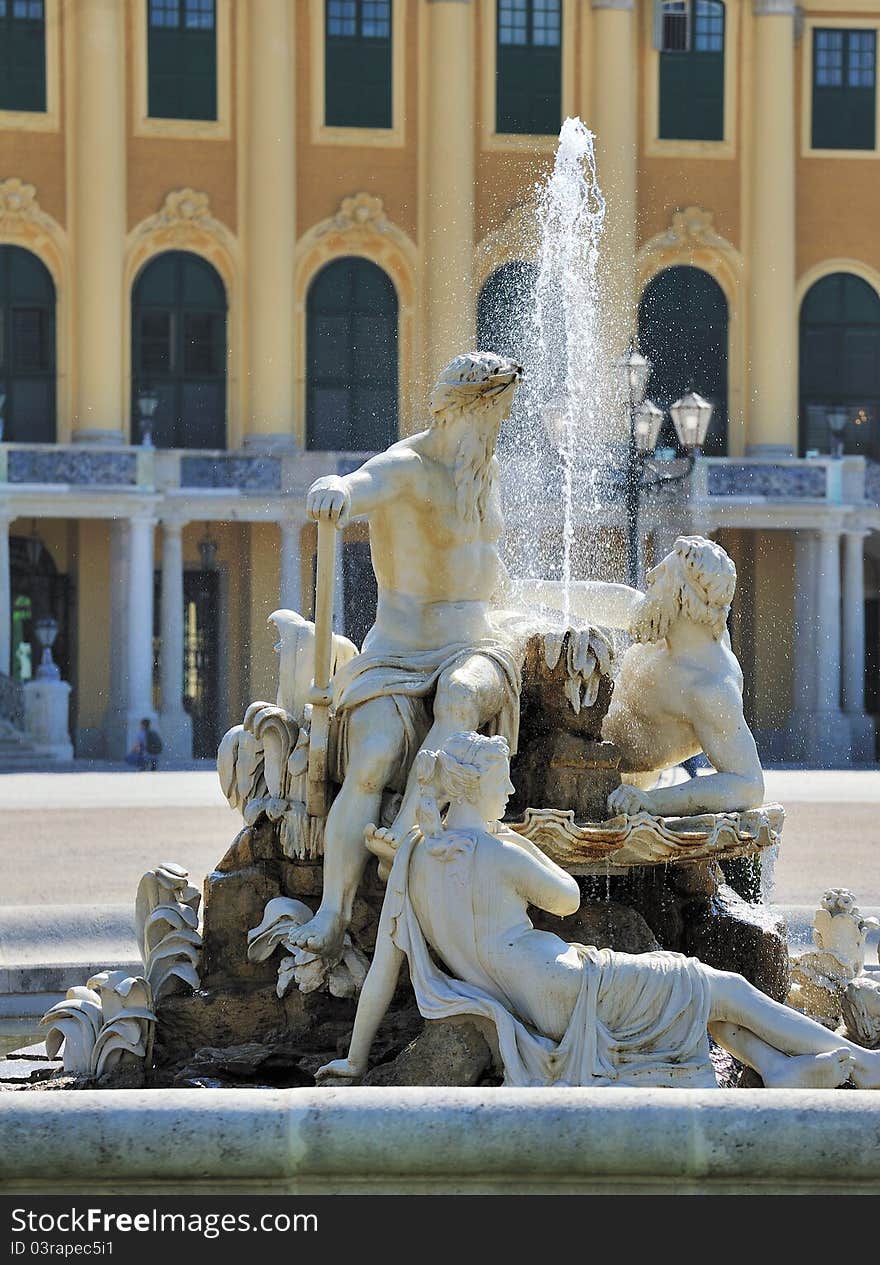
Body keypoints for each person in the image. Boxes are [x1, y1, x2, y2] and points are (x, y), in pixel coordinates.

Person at [316, 732, 880, 1091]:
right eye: (500, 777)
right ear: (471, 787)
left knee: (697, 1000)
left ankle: (778, 1067)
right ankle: (860, 1058)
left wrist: (356, 1060)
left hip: (540, 1000)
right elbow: (567, 897)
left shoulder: (412, 856)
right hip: (569, 987)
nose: (511, 786)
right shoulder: (497, 851)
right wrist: (520, 842)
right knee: (721, 984)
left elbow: (385, 971)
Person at [294, 352, 529, 962]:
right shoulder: (406, 467)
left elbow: (486, 563)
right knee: (369, 760)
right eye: (494, 415)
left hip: (476, 643)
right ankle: (332, 914)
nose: (499, 429)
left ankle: (407, 830)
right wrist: (335, 490)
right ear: (462, 411)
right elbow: (361, 487)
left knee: (461, 696)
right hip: (399, 651)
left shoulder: (483, 469)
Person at [518, 535, 763, 818]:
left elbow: (748, 785)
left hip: (606, 779)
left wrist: (652, 801)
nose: (649, 576)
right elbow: (618, 600)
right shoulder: (664, 626)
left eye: (661, 577)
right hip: (568, 734)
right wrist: (522, 590)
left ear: (681, 596)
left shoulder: (711, 688)